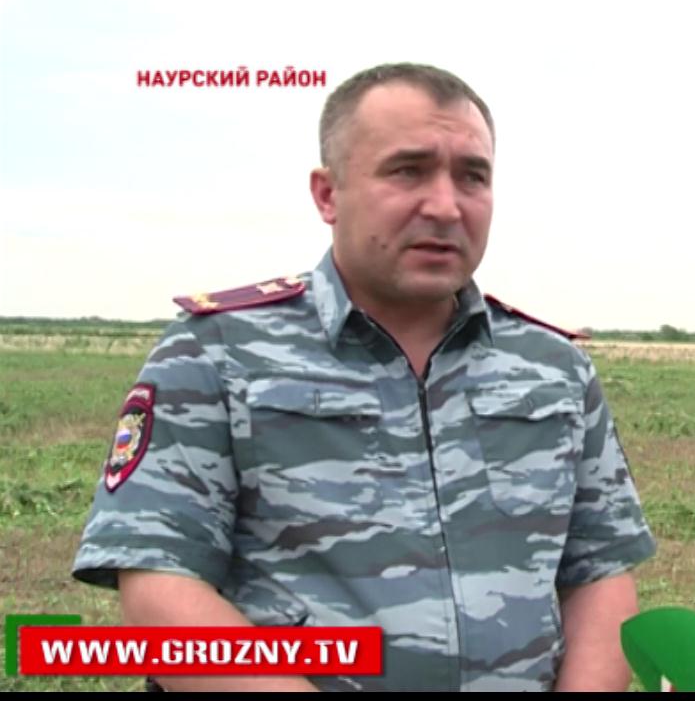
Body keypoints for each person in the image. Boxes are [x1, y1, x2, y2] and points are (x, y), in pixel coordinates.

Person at [71, 63, 657, 692]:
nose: (445, 206)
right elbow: (160, 591)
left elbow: (600, 574)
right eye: (407, 170)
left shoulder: (553, 366)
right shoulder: (218, 352)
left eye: (473, 176)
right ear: (328, 194)